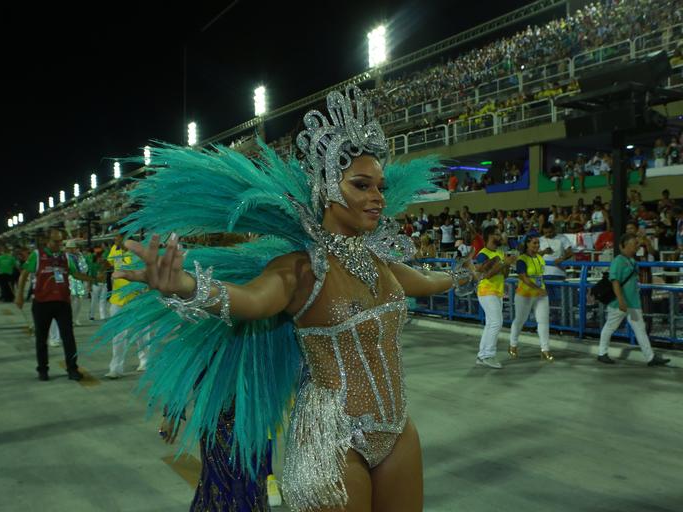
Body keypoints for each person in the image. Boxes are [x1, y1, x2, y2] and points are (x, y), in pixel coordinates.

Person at [100, 86, 477, 511]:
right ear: (327, 188)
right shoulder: (302, 269)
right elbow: (250, 301)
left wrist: (468, 273)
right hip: (332, 438)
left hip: (397, 429)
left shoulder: (383, 264)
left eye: (380, 187)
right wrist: (187, 286)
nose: (378, 198)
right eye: (362, 185)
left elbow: (428, 281)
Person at [15, 228, 95, 381]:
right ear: (47, 241)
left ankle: (72, 369)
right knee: (41, 339)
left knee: (68, 338)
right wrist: (19, 296)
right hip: (42, 303)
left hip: (62, 303)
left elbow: (75, 273)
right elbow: (24, 274)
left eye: (61, 241)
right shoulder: (37, 255)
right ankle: (43, 370)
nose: (59, 244)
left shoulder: (66, 257)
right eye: (56, 241)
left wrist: (94, 279)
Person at [597, 234, 670, 367]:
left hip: (632, 304)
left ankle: (650, 357)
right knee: (610, 327)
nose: (636, 246)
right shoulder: (618, 261)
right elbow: (615, 282)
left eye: (636, 244)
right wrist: (620, 300)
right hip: (620, 303)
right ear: (623, 246)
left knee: (639, 329)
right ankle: (602, 353)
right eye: (633, 244)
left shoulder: (632, 261)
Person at [104, 233, 148, 379]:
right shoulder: (114, 250)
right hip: (118, 300)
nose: (115, 240)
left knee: (141, 333)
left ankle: (145, 361)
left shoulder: (137, 252)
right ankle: (116, 368)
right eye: (115, 238)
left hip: (137, 299)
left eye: (118, 237)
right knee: (118, 336)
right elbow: (110, 264)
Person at [474, 226, 517, 369]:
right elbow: (487, 274)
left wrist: (507, 265)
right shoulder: (483, 254)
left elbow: (503, 275)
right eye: (497, 234)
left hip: (497, 291)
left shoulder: (499, 252)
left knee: (490, 324)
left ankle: (482, 355)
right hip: (487, 291)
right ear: (490, 236)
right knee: (496, 323)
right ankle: (488, 355)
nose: (501, 237)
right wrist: (504, 263)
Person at [509, 234, 554, 361]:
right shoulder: (521, 260)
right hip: (525, 295)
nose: (537, 245)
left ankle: (545, 349)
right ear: (527, 244)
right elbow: (523, 277)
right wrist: (538, 289)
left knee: (543, 321)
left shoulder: (539, 257)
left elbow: (539, 267)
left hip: (541, 294)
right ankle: (513, 345)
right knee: (520, 320)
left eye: (538, 243)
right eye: (534, 243)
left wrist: (541, 290)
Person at [64, 240, 89, 325]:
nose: (72, 250)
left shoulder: (79, 257)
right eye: (70, 248)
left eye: (73, 248)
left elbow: (85, 269)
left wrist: (81, 258)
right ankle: (69, 318)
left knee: (79, 301)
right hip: (69, 280)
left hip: (79, 280)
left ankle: (75, 318)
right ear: (67, 249)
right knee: (70, 300)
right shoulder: (65, 257)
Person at [88, 248, 109, 321]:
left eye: (102, 257)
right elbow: (90, 276)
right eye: (100, 257)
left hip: (104, 284)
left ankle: (102, 316)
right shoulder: (93, 265)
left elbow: (110, 266)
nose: (102, 258)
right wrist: (89, 286)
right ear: (97, 258)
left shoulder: (105, 263)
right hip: (95, 284)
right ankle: (91, 315)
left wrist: (105, 262)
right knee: (94, 300)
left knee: (103, 300)